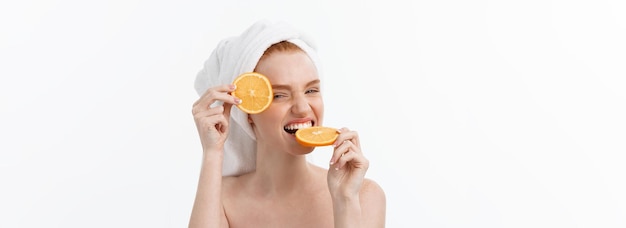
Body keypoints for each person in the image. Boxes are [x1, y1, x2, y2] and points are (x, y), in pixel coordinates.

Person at [189, 19, 386, 227]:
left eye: (311, 90)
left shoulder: (361, 195)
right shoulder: (221, 199)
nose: (302, 108)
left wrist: (345, 201)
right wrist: (212, 152)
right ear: (247, 112)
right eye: (280, 95)